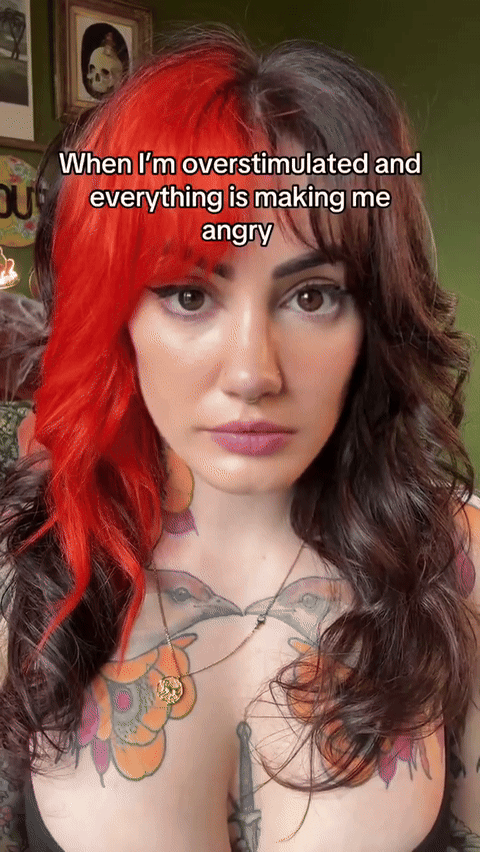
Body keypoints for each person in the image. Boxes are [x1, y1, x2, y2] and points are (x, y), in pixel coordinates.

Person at [0, 22, 479, 852]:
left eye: (312, 297)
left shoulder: (458, 564)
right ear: (117, 318)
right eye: (190, 296)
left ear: (371, 320)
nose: (254, 373)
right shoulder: (23, 574)